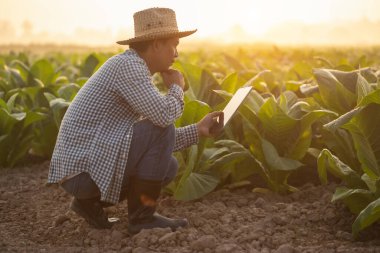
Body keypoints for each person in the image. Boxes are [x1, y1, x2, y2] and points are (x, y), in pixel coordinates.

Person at [47, 7, 223, 235]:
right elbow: (163, 120)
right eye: (174, 45)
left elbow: (155, 139)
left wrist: (199, 130)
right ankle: (142, 218)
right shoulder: (129, 67)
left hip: (84, 173)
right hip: (82, 174)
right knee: (162, 129)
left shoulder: (132, 68)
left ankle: (88, 204)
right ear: (157, 44)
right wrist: (176, 88)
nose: (176, 54)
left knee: (168, 165)